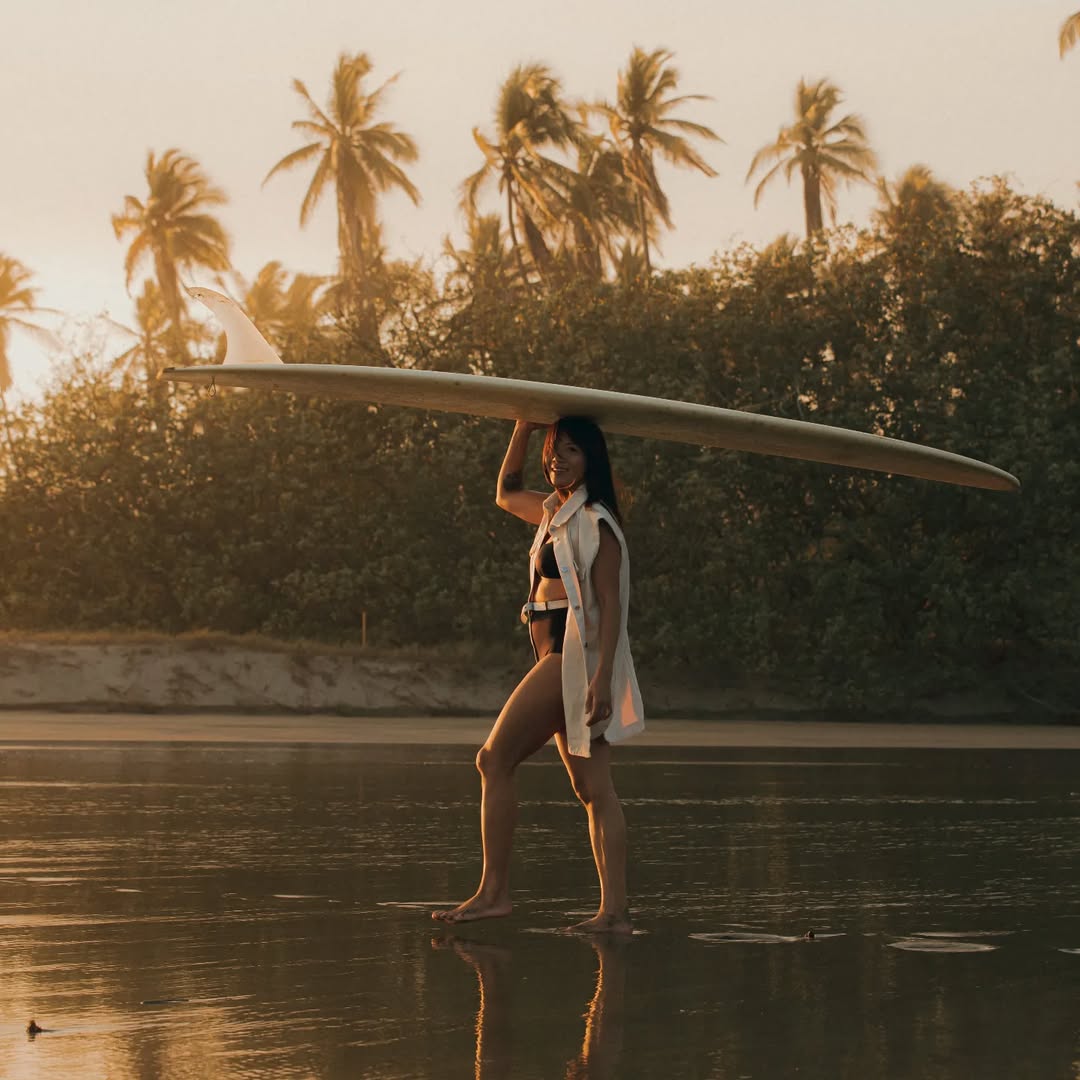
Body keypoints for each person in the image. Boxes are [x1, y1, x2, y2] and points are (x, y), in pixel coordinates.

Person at [433, 417, 645, 933]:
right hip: (551, 652)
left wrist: (599, 679)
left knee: (493, 758)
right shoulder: (553, 513)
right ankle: (613, 914)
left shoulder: (597, 523)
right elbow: (505, 492)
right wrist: (525, 426)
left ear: (591, 458)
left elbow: (613, 608)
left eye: (570, 451)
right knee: (593, 787)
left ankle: (494, 893)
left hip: (573, 657)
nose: (557, 461)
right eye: (554, 451)